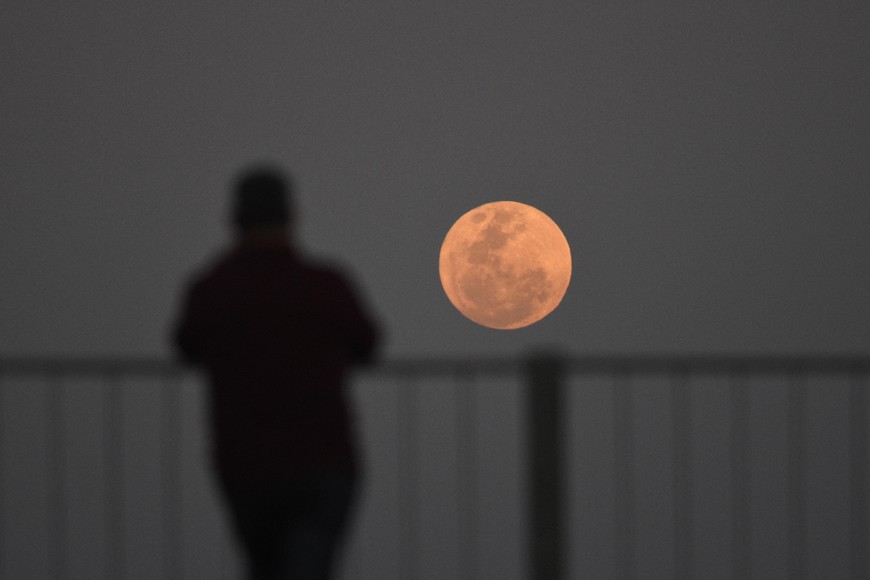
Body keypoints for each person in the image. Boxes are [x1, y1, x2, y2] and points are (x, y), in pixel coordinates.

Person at [171, 165, 381, 580]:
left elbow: (186, 345)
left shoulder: (213, 289)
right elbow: (367, 344)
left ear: (235, 222)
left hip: (246, 463)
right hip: (324, 460)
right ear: (291, 219)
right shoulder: (325, 285)